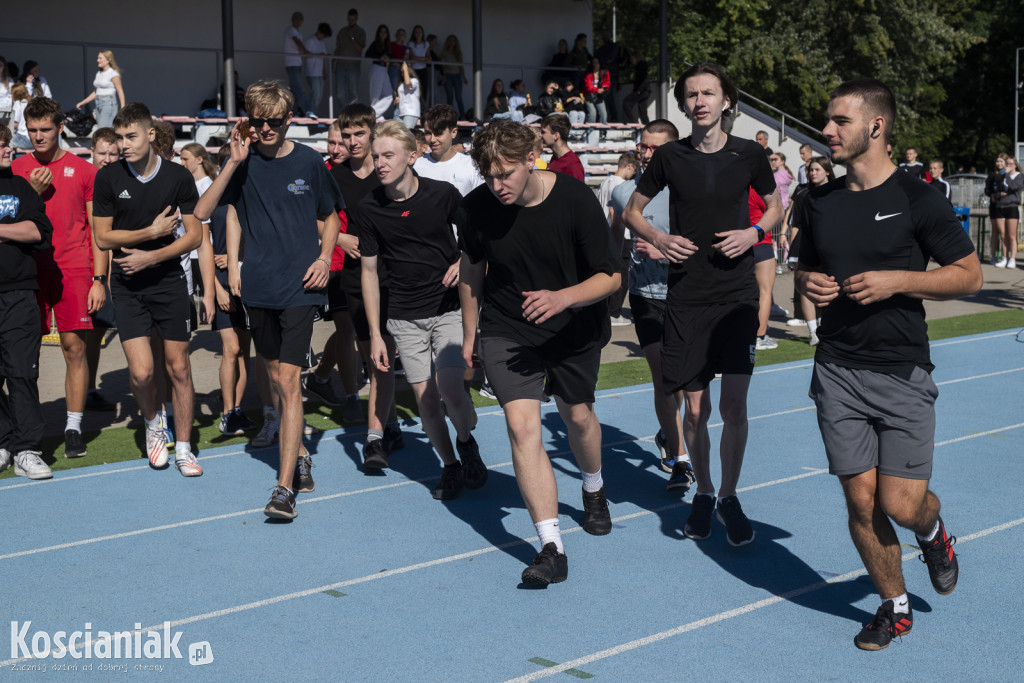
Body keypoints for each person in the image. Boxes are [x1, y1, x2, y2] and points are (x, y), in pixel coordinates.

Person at [796, 77, 981, 651]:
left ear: (875, 126)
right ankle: (893, 607)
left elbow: (970, 276)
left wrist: (898, 281)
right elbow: (802, 270)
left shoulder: (916, 197)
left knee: (900, 505)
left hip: (900, 370)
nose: (826, 130)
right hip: (837, 368)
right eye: (827, 121)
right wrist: (811, 285)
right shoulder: (817, 200)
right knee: (859, 499)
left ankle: (932, 531)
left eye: (839, 122)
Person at [623, 60, 782, 546]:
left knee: (734, 407)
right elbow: (632, 211)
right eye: (692, 94)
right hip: (687, 295)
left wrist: (753, 232)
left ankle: (729, 496)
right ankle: (705, 492)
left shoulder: (748, 156)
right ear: (685, 103)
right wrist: (659, 236)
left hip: (735, 294)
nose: (700, 101)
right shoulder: (669, 156)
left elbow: (777, 206)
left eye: (709, 93)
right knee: (694, 412)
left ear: (726, 100)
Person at [459, 120, 621, 584]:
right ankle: (551, 547)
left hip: (573, 325)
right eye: (488, 175)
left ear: (532, 159)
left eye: (506, 173)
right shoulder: (475, 209)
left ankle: (593, 487)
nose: (497, 185)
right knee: (520, 425)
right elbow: (472, 272)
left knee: (578, 418)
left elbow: (611, 276)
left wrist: (562, 297)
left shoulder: (574, 199)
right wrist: (470, 335)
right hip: (508, 326)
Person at [194, 81, 341, 519]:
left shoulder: (311, 162)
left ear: (288, 119)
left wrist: (325, 256)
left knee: (291, 380)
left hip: (300, 287)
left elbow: (329, 216)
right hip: (258, 288)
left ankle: (283, 490)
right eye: (257, 122)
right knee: (275, 378)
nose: (264, 129)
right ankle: (299, 456)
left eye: (273, 122)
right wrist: (233, 161)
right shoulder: (243, 162)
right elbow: (204, 213)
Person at [358, 121, 487, 494]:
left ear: (412, 156)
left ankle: (466, 441)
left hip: (448, 307)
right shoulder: (369, 208)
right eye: (376, 156)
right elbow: (368, 272)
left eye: (388, 155)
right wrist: (376, 335)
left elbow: (475, 242)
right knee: (426, 400)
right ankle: (449, 465)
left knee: (449, 387)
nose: (380, 163)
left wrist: (460, 262)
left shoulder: (443, 194)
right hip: (403, 316)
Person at [92, 102, 204, 477]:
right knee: (141, 374)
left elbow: (195, 235)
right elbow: (103, 237)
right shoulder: (107, 178)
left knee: (179, 368)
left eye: (131, 136)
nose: (123, 144)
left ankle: (185, 448)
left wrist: (151, 257)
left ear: (151, 134)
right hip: (126, 285)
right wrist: (150, 234)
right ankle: (155, 424)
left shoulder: (177, 176)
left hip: (169, 281)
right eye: (119, 137)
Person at [12, 96, 104, 460]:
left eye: (45, 129)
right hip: (27, 271)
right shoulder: (15, 169)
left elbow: (97, 229)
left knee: (74, 349)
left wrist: (100, 277)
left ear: (60, 128)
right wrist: (29, 192)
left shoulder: (84, 171)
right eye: (32, 130)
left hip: (74, 269)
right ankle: (25, 429)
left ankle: (73, 426)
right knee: (23, 354)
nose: (38, 136)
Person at [611, 119, 695, 489]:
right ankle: (681, 460)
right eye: (642, 146)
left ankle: (666, 435)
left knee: (686, 383)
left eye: (654, 148)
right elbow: (615, 244)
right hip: (645, 297)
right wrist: (612, 285)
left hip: (687, 294)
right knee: (663, 378)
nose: (645, 153)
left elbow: (705, 250)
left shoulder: (692, 192)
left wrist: (662, 249)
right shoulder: (622, 192)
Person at [330, 103, 405, 468]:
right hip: (354, 279)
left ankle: (374, 440)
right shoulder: (332, 174)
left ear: (372, 132)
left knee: (382, 360)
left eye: (359, 133)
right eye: (347, 135)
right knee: (370, 356)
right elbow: (316, 220)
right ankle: (389, 422)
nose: (353, 141)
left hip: (391, 277)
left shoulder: (387, 170)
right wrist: (341, 239)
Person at [0, 122, 55, 480]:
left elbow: (36, 231)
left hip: (18, 293)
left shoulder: (19, 187)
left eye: (7, 144)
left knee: (21, 373)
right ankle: (4, 441)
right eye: (1, 145)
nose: (8, 149)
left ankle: (27, 450)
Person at [304, 120, 363, 424]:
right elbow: (304, 217)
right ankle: (352, 397)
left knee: (348, 329)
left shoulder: (365, 170)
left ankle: (321, 376)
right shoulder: (319, 172)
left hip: (362, 262)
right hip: (333, 262)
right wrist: (339, 237)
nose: (337, 148)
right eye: (331, 142)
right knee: (347, 328)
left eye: (342, 142)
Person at [84, 127, 119, 412]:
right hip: (80, 266)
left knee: (96, 333)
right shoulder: (86, 179)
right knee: (78, 335)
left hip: (108, 268)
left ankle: (89, 389)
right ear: (91, 152)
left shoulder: (121, 181)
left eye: (113, 153)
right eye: (102, 153)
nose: (106, 159)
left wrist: (104, 276)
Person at [783, 155, 835, 345]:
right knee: (806, 287)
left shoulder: (838, 192)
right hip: (805, 244)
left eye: (816, 170)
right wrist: (792, 248)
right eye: (810, 170)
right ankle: (814, 332)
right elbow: (795, 224)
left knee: (829, 284)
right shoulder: (803, 194)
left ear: (827, 171)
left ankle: (826, 325)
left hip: (830, 245)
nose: (812, 173)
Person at [600, 152, 639, 326]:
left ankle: (609, 310)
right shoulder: (621, 185)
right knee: (622, 274)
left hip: (605, 233)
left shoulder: (605, 181)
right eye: (634, 171)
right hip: (620, 234)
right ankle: (614, 312)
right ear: (629, 166)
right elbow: (614, 211)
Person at [414, 104, 484, 196]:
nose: (432, 140)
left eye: (438, 133)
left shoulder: (472, 166)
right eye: (428, 133)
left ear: (453, 133)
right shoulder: (415, 166)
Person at [75, 51, 125, 129]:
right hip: (98, 103)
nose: (97, 60)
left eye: (100, 58)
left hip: (108, 103)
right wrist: (83, 103)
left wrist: (122, 108)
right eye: (98, 58)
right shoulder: (99, 73)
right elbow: (96, 92)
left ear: (108, 60)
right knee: (102, 129)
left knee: (103, 130)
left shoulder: (113, 74)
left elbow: (120, 91)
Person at [990, 157, 1021, 268]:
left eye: (1010, 164)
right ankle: (1004, 257)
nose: (1008, 166)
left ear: (1015, 165)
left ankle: (1012, 259)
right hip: (1000, 206)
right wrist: (998, 195)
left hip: (1012, 207)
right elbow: (996, 191)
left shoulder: (1019, 176)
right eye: (1006, 164)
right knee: (1003, 235)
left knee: (1011, 235)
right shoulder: (1001, 176)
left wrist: (1007, 175)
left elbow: (1013, 187)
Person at [333, 8, 366, 108]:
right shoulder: (342, 31)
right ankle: (345, 113)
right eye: (349, 19)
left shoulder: (360, 31)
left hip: (354, 66)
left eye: (353, 20)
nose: (350, 21)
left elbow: (360, 49)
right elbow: (338, 48)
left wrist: (352, 37)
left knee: (353, 93)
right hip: (341, 64)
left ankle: (353, 116)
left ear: (356, 19)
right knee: (339, 93)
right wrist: (333, 62)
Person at [540, 114, 584, 182]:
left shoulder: (573, 164)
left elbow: (579, 192)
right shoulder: (556, 157)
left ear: (556, 136)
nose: (540, 135)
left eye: (543, 132)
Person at [283, 12, 311, 117]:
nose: (298, 22)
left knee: (294, 90)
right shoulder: (291, 30)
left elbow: (298, 45)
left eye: (299, 20)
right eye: (296, 19)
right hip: (292, 63)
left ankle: (294, 112)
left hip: (296, 63)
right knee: (299, 89)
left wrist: (302, 50)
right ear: (292, 20)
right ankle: (307, 111)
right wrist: (306, 51)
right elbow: (297, 42)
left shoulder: (297, 32)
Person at [303, 22, 332, 118]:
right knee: (315, 92)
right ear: (319, 32)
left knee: (319, 95)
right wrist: (318, 55)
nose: (323, 37)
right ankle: (310, 112)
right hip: (312, 72)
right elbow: (306, 55)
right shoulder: (310, 41)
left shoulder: (322, 42)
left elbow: (322, 57)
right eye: (323, 35)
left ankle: (313, 112)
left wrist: (324, 71)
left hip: (319, 72)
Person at [365, 24, 394, 118]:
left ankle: (373, 114)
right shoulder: (375, 43)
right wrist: (380, 57)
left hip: (384, 70)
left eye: (385, 32)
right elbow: (367, 54)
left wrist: (388, 57)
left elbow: (392, 56)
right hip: (376, 68)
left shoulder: (388, 45)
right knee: (375, 97)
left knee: (389, 95)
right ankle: (373, 115)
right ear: (378, 33)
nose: (383, 34)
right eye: (381, 32)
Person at [439, 36, 467, 118]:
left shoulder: (458, 53)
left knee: (458, 97)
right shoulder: (444, 52)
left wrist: (464, 77)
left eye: (453, 41)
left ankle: (462, 116)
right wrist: (443, 74)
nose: (451, 42)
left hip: (457, 76)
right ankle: (449, 116)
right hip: (447, 75)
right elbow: (438, 63)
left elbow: (461, 66)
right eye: (450, 41)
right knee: (450, 96)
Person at [622, 51, 652, 125]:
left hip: (641, 90)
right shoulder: (641, 66)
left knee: (626, 102)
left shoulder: (640, 66)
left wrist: (639, 90)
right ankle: (647, 126)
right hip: (646, 90)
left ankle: (631, 122)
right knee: (642, 111)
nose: (632, 60)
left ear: (636, 58)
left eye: (632, 58)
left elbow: (645, 79)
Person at [583, 57, 610, 124]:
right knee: (592, 113)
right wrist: (597, 90)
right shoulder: (588, 73)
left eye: (596, 63)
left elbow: (607, 82)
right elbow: (588, 87)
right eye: (593, 63)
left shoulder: (605, 72)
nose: (595, 64)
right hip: (589, 95)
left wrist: (604, 88)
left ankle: (602, 131)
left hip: (599, 95)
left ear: (600, 64)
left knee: (603, 113)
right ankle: (590, 130)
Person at [394, 62, 421, 129]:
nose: (402, 74)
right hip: (401, 112)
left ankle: (423, 133)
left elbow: (408, 83)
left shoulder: (414, 81)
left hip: (411, 112)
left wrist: (405, 68)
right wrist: (396, 100)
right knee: (400, 134)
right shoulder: (401, 84)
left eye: (403, 72)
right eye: (401, 72)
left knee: (406, 133)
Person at [9, 83, 31, 150]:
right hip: (31, 138)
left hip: (23, 138)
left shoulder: (18, 103)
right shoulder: (30, 103)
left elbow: (14, 124)